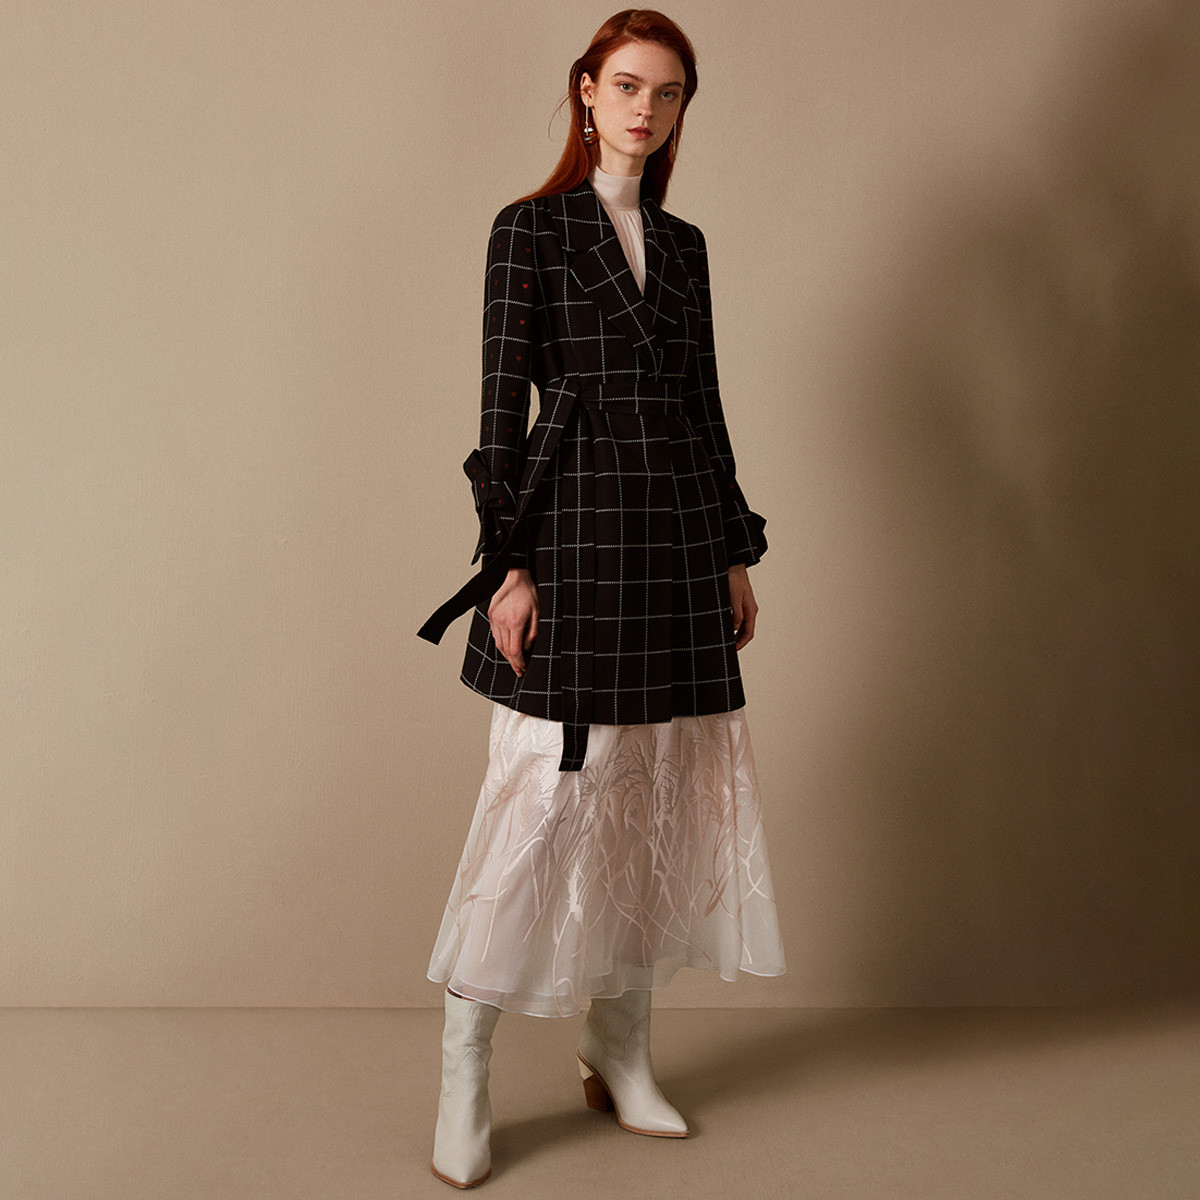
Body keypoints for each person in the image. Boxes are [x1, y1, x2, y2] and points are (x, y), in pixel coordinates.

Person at [418, 9, 785, 1188]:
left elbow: (705, 406)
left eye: (667, 93)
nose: (645, 109)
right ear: (585, 89)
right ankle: (465, 1068)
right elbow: (499, 414)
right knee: (542, 797)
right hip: (571, 533)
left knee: (649, 795)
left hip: (673, 538)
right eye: (626, 85)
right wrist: (510, 566)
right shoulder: (528, 231)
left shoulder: (684, 247)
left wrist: (731, 552)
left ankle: (618, 1045)